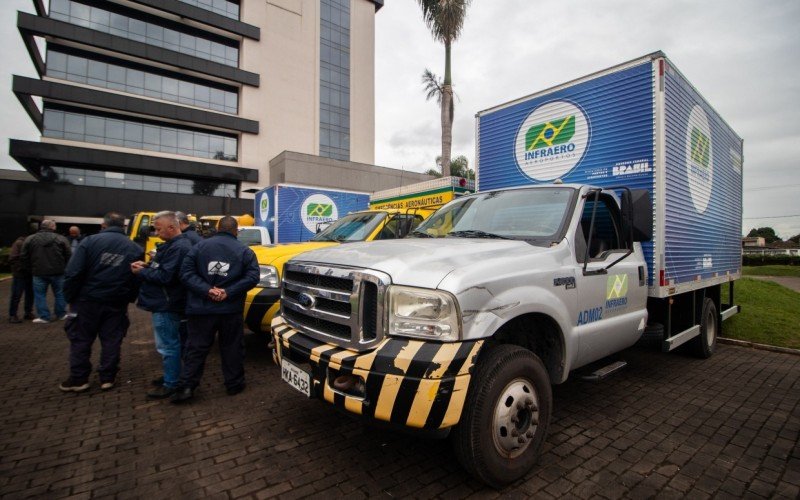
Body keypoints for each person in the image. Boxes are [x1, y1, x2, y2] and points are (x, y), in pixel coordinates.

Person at [171, 216, 259, 403]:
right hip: (230, 310)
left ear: (218, 228)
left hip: (201, 309)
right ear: (237, 230)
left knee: (195, 348)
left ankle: (187, 387)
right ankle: (234, 384)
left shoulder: (199, 247)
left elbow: (185, 274)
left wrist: (207, 290)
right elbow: (252, 277)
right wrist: (228, 292)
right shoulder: (245, 251)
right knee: (232, 347)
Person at [60, 212, 143, 392]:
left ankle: (79, 379)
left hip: (86, 300)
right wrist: (128, 297)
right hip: (116, 301)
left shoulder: (89, 242)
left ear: (103, 225)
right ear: (123, 226)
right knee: (112, 339)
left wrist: (69, 296)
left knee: (81, 340)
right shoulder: (134, 248)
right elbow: (136, 278)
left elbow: (73, 272)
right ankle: (108, 377)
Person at [131, 211, 192, 399]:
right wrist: (148, 266)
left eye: (158, 229)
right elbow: (162, 269)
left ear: (172, 228)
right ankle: (172, 376)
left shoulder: (178, 247)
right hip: (165, 302)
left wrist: (140, 273)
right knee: (172, 343)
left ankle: (171, 383)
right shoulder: (173, 245)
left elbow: (166, 277)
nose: (156, 233)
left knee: (168, 345)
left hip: (166, 304)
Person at [22, 220, 71, 323]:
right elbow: (68, 255)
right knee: (60, 293)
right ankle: (61, 314)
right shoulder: (61, 238)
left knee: (40, 295)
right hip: (58, 272)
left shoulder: (30, 239)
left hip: (38, 272)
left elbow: (24, 256)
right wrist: (65, 268)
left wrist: (30, 269)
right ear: (53, 227)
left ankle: (44, 317)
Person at [8, 234, 34, 323]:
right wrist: (21, 268)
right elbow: (12, 258)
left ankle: (28, 312)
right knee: (17, 295)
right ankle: (13, 314)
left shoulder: (30, 243)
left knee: (30, 294)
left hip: (29, 273)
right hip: (20, 274)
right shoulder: (19, 243)